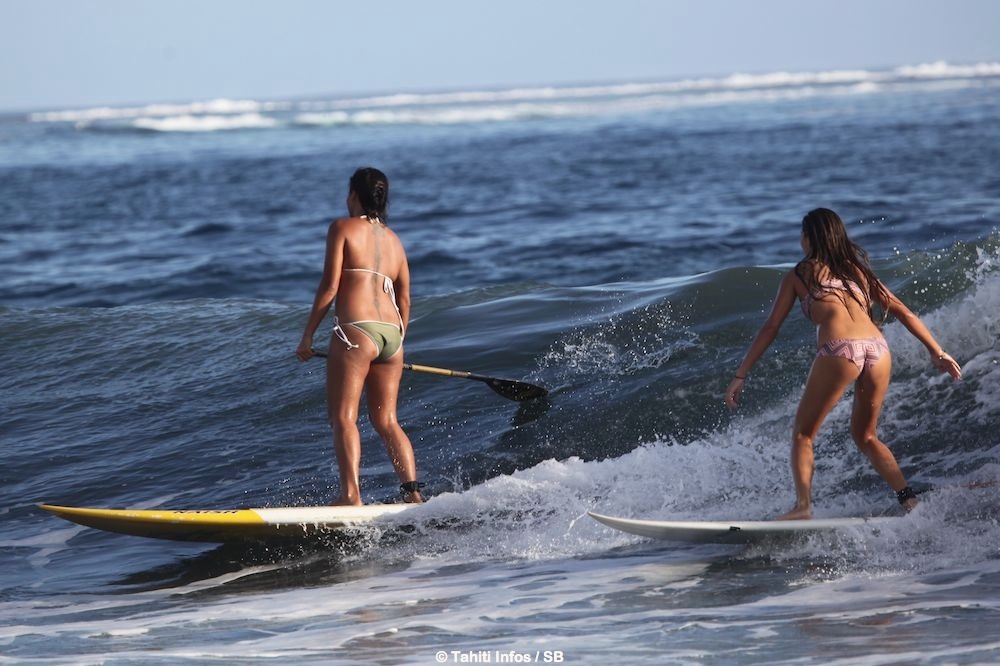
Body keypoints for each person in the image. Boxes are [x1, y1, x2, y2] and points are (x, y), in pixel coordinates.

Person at [725, 208, 961, 519]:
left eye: (802, 233)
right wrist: (937, 351)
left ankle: (803, 507)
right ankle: (908, 500)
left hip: (841, 350)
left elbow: (771, 328)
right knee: (867, 436)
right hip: (878, 349)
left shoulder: (799, 274)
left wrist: (740, 375)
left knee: (803, 434)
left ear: (809, 237)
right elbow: (902, 310)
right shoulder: (857, 271)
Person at [296, 167, 423, 505]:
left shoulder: (342, 228)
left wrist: (307, 336)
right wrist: (396, 343)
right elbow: (405, 298)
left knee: (343, 418)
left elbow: (329, 287)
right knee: (387, 420)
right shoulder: (395, 241)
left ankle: (351, 494)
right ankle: (413, 494)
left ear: (353, 195)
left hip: (356, 331)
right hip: (392, 336)